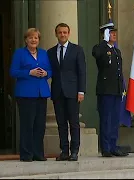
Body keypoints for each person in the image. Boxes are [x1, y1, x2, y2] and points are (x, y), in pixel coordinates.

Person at [10, 28, 52, 162]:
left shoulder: (44, 53)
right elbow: (13, 71)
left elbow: (51, 70)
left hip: (41, 93)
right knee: (27, 124)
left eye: (36, 38)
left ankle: (38, 153)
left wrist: (46, 74)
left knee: (40, 125)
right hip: (25, 94)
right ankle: (26, 154)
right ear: (26, 40)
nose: (33, 40)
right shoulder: (20, 53)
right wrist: (29, 72)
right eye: (31, 38)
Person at [47, 23, 86, 161]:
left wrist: (81, 91)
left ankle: (74, 151)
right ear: (56, 34)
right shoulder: (50, 52)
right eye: (60, 32)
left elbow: (81, 72)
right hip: (58, 92)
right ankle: (64, 150)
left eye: (65, 32)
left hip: (73, 92)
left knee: (74, 123)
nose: (62, 35)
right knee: (61, 123)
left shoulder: (77, 50)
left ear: (69, 34)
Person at [92, 21, 129, 157]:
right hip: (105, 89)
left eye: (114, 33)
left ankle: (113, 146)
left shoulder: (116, 50)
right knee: (106, 119)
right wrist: (104, 41)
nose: (114, 35)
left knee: (114, 119)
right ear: (105, 34)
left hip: (116, 89)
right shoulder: (100, 48)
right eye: (111, 33)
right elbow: (96, 54)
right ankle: (106, 147)